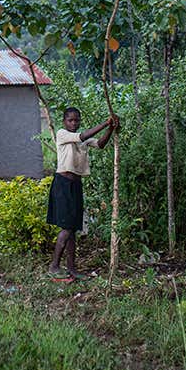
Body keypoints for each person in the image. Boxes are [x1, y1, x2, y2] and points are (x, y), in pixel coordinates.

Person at [47, 107, 118, 281]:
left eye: (76, 120)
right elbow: (82, 136)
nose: (74, 123)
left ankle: (71, 268)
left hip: (75, 185)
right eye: (70, 120)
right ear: (64, 122)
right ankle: (54, 266)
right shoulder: (63, 134)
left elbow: (100, 144)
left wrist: (110, 129)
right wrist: (105, 122)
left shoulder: (82, 139)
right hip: (62, 185)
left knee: (73, 228)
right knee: (66, 227)